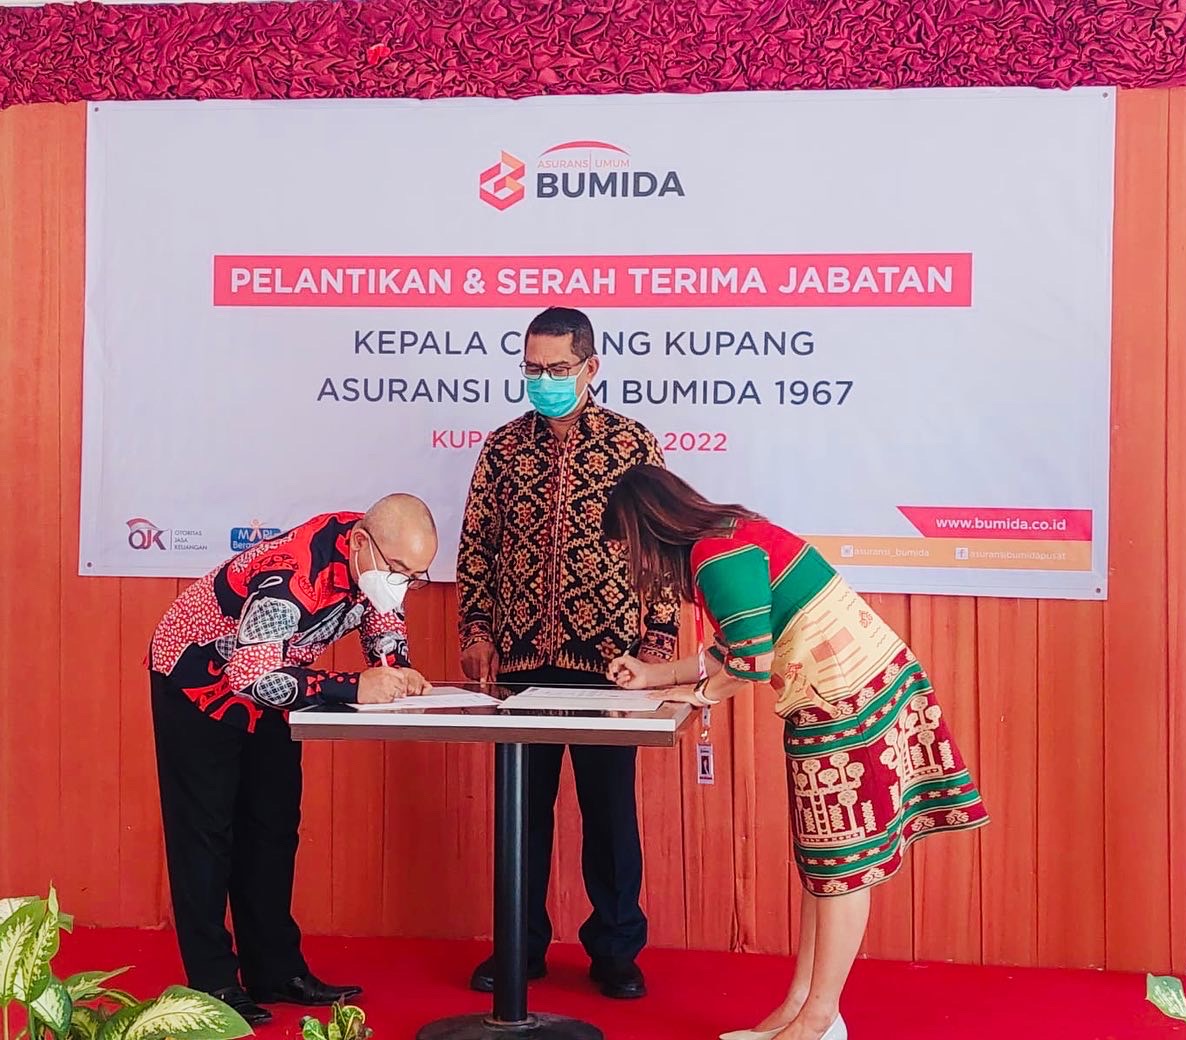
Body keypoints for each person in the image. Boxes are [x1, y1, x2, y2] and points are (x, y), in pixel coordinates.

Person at [603, 466, 989, 1040]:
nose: (636, 566)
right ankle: (801, 1010)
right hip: (846, 697)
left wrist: (697, 694)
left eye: (628, 549)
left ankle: (818, 1018)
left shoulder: (715, 556)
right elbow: (737, 646)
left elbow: (749, 664)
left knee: (845, 867)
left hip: (846, 705)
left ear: (647, 531)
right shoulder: (730, 537)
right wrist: (654, 675)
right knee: (825, 868)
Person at [457, 307, 679, 999]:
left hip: (614, 665)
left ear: (591, 367)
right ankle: (519, 948)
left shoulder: (632, 444)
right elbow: (477, 547)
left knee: (609, 812)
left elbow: (662, 547)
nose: (544, 380)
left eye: (557, 368)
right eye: (532, 369)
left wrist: (658, 648)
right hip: (521, 662)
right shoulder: (502, 448)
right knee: (522, 811)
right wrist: (476, 630)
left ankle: (615, 948)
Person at [148, 496, 437, 1025]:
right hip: (198, 681)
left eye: (416, 576)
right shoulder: (292, 576)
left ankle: (276, 969)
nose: (403, 584)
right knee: (207, 834)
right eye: (399, 571)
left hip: (279, 682)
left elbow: (384, 621)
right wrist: (352, 685)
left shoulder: (373, 557)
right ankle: (213, 982)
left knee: (274, 827)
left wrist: (397, 670)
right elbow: (249, 676)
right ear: (361, 544)